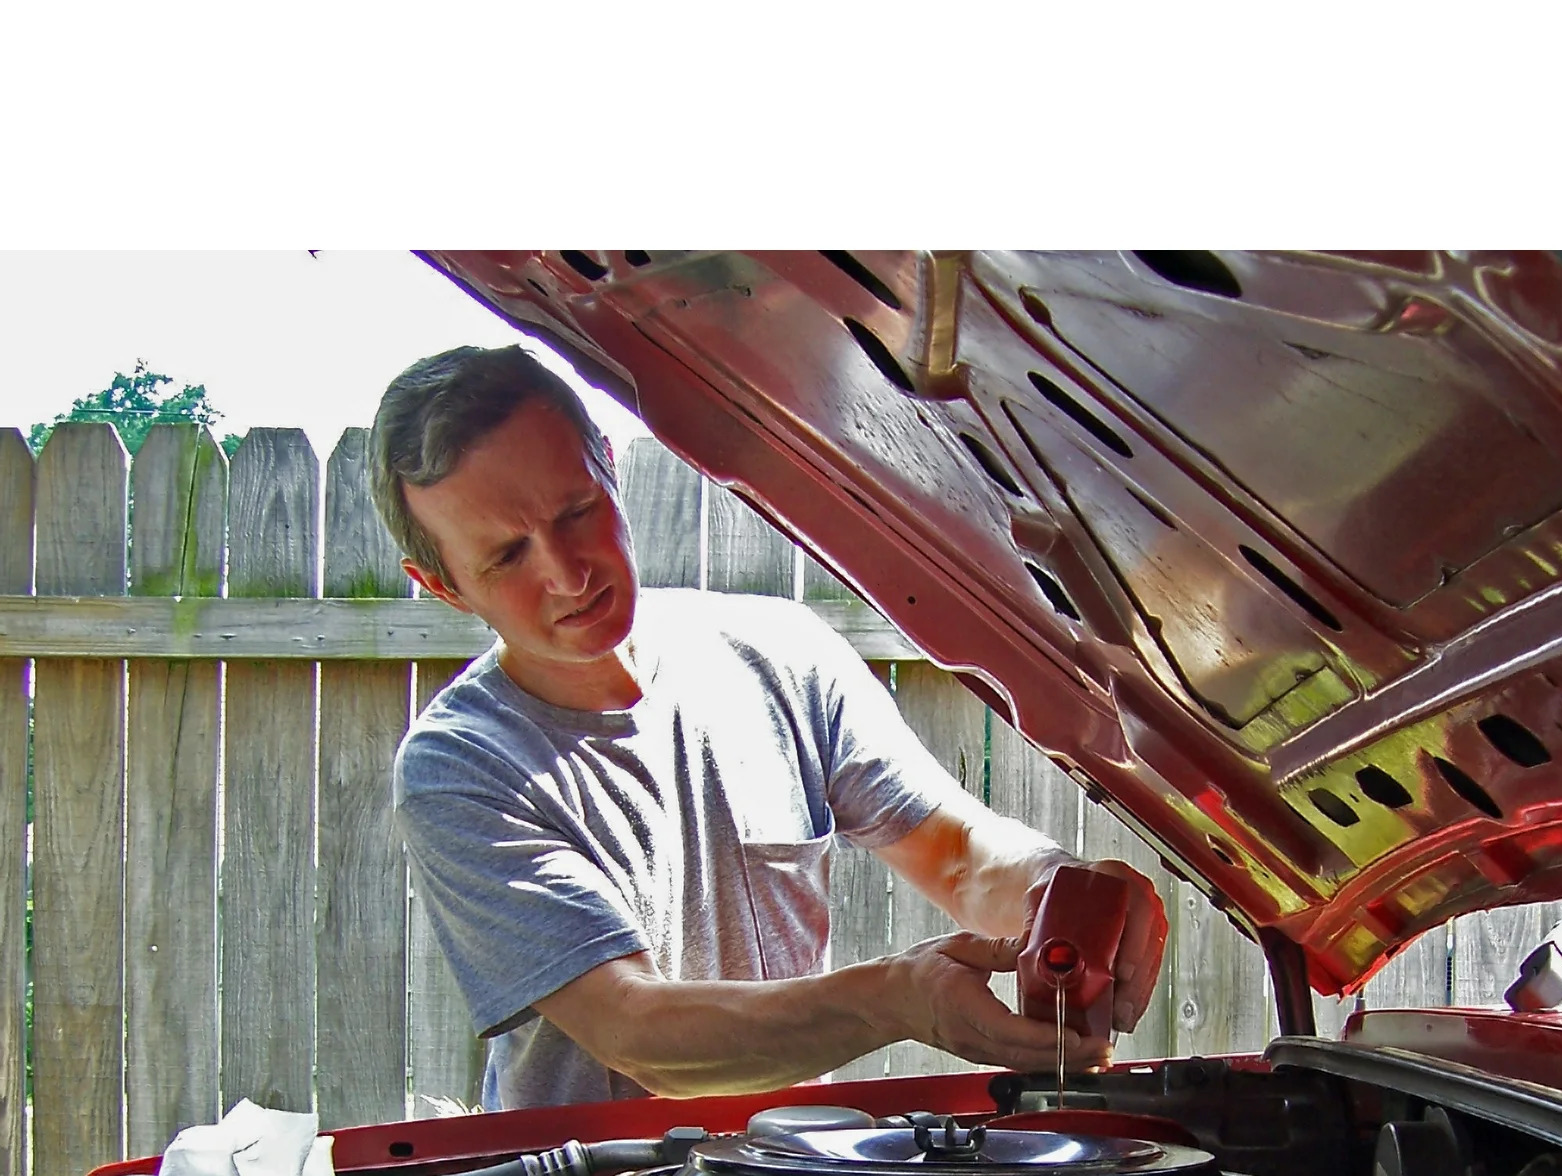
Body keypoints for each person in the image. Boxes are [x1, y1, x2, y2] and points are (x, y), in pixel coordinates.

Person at [371, 344, 1167, 1111]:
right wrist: (895, 999)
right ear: (441, 586)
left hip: (793, 1165)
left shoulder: (781, 655)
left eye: (578, 512)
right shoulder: (462, 764)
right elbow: (633, 1033)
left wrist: (1060, 894)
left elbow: (958, 857)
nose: (567, 573)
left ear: (608, 466)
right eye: (508, 556)